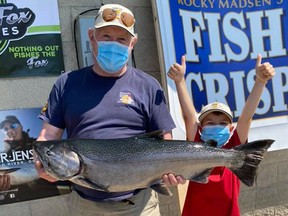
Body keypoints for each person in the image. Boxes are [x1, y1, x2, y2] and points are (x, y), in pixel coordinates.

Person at [35, 4, 185, 216]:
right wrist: (43, 160)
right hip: (84, 206)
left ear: (133, 43)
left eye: (122, 39)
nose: (113, 44)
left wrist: (171, 170)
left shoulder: (149, 86)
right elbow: (48, 135)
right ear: (92, 37)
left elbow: (165, 142)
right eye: (105, 35)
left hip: (140, 206)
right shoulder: (66, 83)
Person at [168, 54, 275, 216]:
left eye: (223, 123)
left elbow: (246, 117)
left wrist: (260, 81)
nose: (217, 126)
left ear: (231, 129)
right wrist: (179, 81)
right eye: (210, 123)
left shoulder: (235, 147)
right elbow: (190, 116)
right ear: (200, 128)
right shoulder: (196, 144)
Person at [0, 115, 66, 204]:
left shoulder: (40, 144)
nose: (10, 131)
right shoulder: (3, 155)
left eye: (13, 126)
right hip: (22, 200)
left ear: (21, 126)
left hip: (51, 195)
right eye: (5, 129)